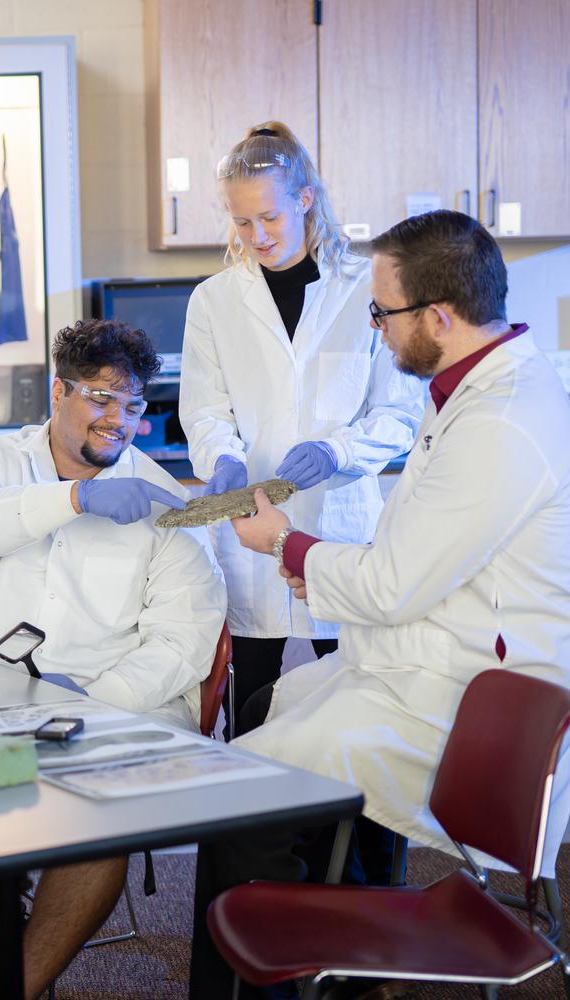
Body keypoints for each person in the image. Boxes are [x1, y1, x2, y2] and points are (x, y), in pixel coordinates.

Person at [188, 209, 570, 999]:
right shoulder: (469, 391)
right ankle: (332, 959)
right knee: (273, 713)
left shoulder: (501, 423)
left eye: (381, 313)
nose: (373, 327)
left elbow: (391, 583)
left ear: (438, 317)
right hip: (430, 660)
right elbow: (414, 559)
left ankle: (289, 970)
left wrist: (286, 544)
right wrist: (319, 563)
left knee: (244, 789)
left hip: (470, 704)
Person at [0, 317, 227, 1000]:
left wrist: (84, 706)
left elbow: (182, 643)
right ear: (58, 391)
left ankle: (15, 990)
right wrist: (73, 498)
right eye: (100, 398)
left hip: (120, 706)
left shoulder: (163, 503)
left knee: (100, 820)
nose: (118, 420)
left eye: (133, 404)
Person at [179, 121, 423, 737]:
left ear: (305, 198)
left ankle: (352, 838)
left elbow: (398, 414)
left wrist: (338, 450)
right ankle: (251, 832)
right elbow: (205, 409)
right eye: (240, 222)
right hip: (249, 534)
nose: (255, 236)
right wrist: (222, 460)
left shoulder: (366, 288)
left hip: (340, 533)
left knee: (354, 714)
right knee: (250, 713)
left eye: (269, 218)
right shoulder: (213, 300)